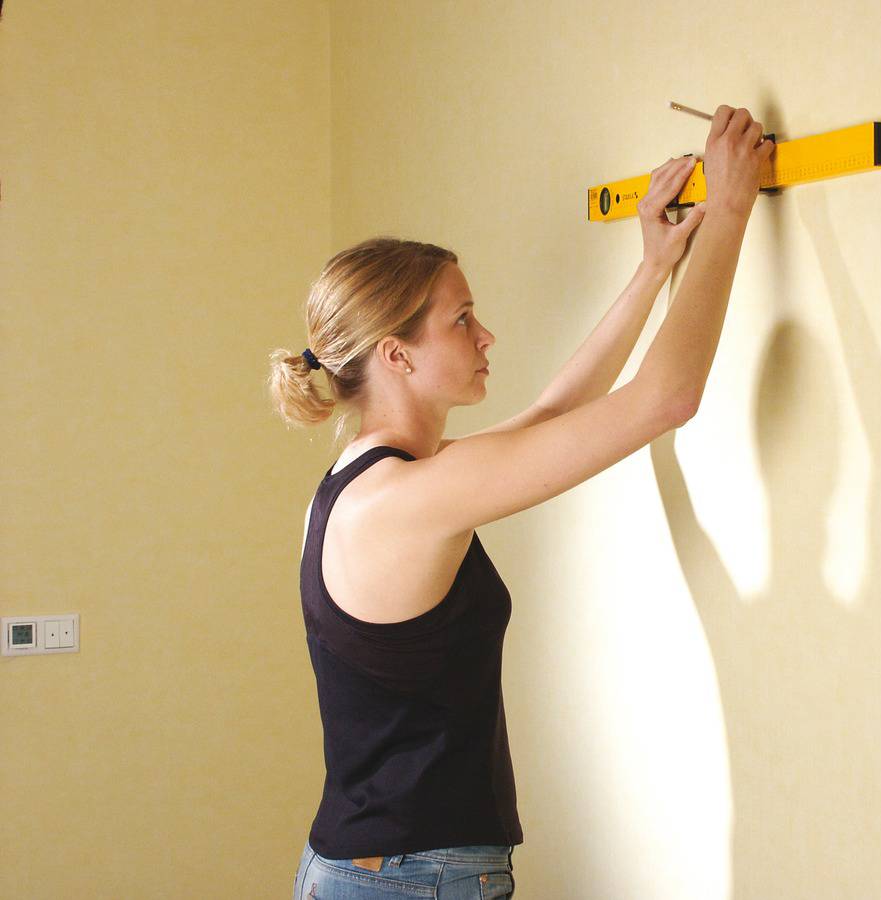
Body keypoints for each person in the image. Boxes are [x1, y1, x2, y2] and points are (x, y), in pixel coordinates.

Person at [267, 105, 774, 899]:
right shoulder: (408, 500)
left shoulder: (365, 484)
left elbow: (548, 418)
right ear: (397, 354)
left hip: (377, 870)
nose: (486, 336)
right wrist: (733, 210)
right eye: (461, 319)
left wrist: (652, 269)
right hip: (414, 878)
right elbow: (666, 398)